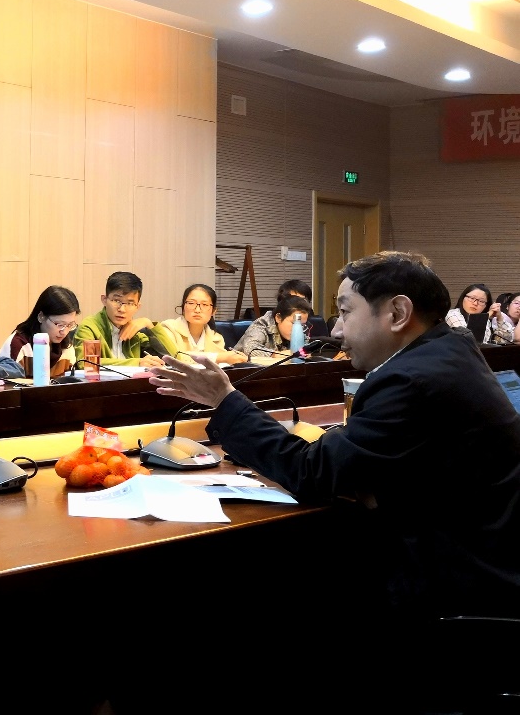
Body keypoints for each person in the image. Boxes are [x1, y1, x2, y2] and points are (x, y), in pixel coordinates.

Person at [150, 251, 520, 707]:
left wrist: (226, 400)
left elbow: (312, 472)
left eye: (345, 311)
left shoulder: (410, 379)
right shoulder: (450, 352)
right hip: (484, 563)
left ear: (397, 313)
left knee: (241, 591)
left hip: (451, 589)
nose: (337, 330)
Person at [73, 271, 163, 368]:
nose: (122, 309)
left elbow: (171, 358)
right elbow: (88, 363)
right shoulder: (90, 327)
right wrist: (136, 363)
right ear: (104, 300)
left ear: (137, 306)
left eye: (130, 303)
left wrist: (149, 324)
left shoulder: (136, 332)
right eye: (116, 301)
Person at [152, 283, 246, 364]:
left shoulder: (216, 338)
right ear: (183, 307)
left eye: (204, 305)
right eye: (191, 303)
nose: (197, 310)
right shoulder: (168, 328)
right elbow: (174, 357)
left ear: (213, 311)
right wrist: (218, 358)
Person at [1, 285, 81, 377]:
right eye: (59, 325)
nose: (64, 332)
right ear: (41, 317)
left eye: (69, 325)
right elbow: (8, 383)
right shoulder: (18, 344)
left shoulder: (66, 347)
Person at [232, 294, 312, 362]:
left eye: (302, 324)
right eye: (294, 323)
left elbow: (303, 351)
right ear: (278, 318)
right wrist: (278, 355)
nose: (298, 329)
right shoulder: (261, 325)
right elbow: (250, 349)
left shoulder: (302, 330)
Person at [446, 283, 513, 344]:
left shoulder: (486, 321)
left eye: (481, 301)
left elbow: (506, 340)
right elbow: (469, 339)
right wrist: (485, 317)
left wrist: (499, 318)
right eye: (472, 298)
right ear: (463, 298)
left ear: (486, 305)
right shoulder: (453, 314)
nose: (475, 303)